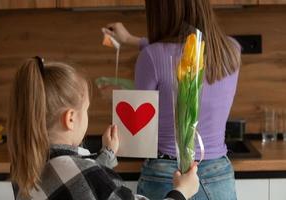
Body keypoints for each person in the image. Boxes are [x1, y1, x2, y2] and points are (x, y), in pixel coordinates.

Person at [103, 0, 241, 199]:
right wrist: (132, 39)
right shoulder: (231, 51)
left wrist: (115, 97)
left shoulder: (150, 56)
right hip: (218, 174)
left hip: (166, 176)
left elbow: (139, 128)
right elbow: (183, 51)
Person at [7, 57, 199, 200]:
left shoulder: (25, 165)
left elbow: (86, 189)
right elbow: (87, 180)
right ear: (71, 118)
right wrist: (181, 192)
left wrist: (107, 154)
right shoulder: (83, 172)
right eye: (86, 109)